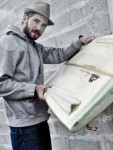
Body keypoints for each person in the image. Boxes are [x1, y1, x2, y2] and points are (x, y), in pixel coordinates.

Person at [0, 2, 94, 150]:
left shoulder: (35, 47)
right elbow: (1, 84)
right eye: (36, 21)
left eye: (43, 25)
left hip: (39, 119)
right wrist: (33, 89)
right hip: (24, 128)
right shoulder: (9, 43)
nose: (39, 28)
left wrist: (79, 42)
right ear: (25, 19)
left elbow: (59, 54)